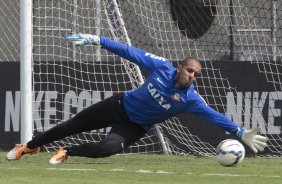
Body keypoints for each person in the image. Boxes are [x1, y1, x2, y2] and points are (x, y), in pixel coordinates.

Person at [6, 34, 268, 164]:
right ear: (179, 68)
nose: (192, 76)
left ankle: (67, 152)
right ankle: (30, 145)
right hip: (119, 105)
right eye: (189, 70)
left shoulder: (189, 99)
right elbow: (129, 52)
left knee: (107, 149)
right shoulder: (162, 67)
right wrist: (98, 40)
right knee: (71, 125)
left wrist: (240, 131)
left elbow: (213, 115)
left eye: (196, 74)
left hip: (134, 127)